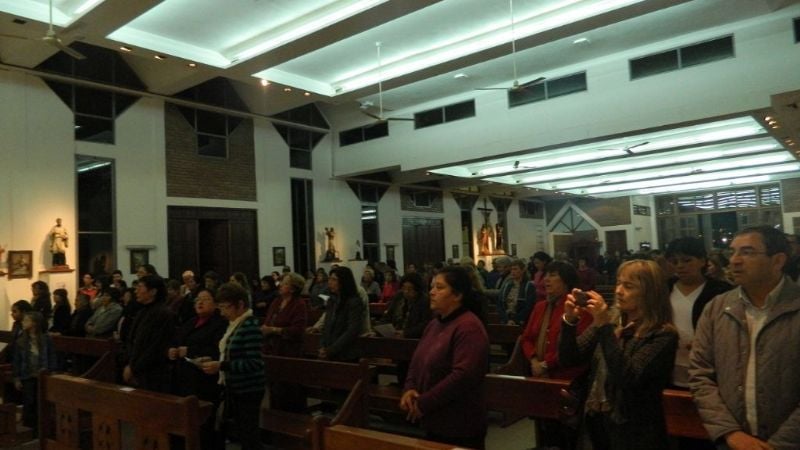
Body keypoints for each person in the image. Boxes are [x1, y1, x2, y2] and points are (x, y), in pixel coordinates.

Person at [690, 226, 800, 449]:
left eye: (747, 252)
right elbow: (700, 373)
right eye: (733, 252)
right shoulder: (718, 308)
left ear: (778, 260)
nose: (735, 260)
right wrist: (729, 433)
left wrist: (781, 443)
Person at [559, 259, 678, 450]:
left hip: (633, 431)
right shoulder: (614, 321)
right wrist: (569, 321)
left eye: (628, 286)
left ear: (650, 292)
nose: (618, 291)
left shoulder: (662, 334)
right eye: (618, 283)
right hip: (595, 419)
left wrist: (603, 326)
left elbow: (627, 376)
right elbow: (569, 359)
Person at [401, 265, 489, 449]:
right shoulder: (434, 324)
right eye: (432, 287)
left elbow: (463, 376)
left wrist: (424, 402)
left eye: (439, 288)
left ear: (457, 295)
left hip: (459, 421)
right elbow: (417, 362)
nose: (432, 292)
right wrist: (409, 388)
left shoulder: (468, 326)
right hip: (434, 418)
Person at [201, 283, 264, 450]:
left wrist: (221, 365)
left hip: (248, 389)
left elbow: (254, 363)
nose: (222, 312)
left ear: (241, 304)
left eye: (225, 307)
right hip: (235, 387)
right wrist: (214, 360)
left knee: (249, 434)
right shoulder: (235, 324)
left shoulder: (250, 326)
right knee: (242, 433)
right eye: (220, 307)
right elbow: (230, 353)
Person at [664, 237, 732, 388]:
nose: (680, 266)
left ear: (702, 261)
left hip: (708, 366)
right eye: (675, 262)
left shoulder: (720, 291)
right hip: (669, 364)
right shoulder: (664, 289)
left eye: (687, 260)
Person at [168, 288, 227, 450]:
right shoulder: (191, 321)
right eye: (197, 300)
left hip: (204, 381)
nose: (199, 302)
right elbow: (177, 340)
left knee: (203, 424)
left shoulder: (220, 323)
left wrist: (190, 351)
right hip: (183, 378)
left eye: (205, 299)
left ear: (215, 304)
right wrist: (172, 349)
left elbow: (217, 351)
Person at [261, 272, 307, 412]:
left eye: (285, 283)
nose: (280, 285)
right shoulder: (276, 301)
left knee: (288, 388)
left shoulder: (299, 304)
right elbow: (268, 320)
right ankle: (276, 415)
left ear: (293, 288)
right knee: (274, 388)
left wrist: (274, 330)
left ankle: (293, 418)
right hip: (273, 349)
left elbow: (297, 330)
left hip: (289, 351)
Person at [123, 275, 175, 392]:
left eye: (140, 287)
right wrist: (129, 363)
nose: (136, 291)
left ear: (152, 291)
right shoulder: (142, 311)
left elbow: (155, 346)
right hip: (136, 368)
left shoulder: (163, 314)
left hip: (152, 372)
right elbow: (132, 340)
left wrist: (134, 368)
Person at [13, 311, 57, 435]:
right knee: (29, 402)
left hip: (43, 375)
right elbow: (16, 360)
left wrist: (52, 371)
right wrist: (16, 378)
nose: (23, 322)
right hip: (27, 375)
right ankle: (29, 430)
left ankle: (42, 430)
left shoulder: (45, 338)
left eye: (26, 320)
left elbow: (52, 355)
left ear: (34, 323)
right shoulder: (21, 340)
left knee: (41, 402)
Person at [319, 266, 365, 362]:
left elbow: (352, 330)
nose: (329, 282)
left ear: (344, 282)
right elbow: (327, 325)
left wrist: (332, 349)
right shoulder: (332, 300)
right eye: (329, 279)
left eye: (334, 280)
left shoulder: (354, 302)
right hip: (330, 351)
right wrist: (323, 346)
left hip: (346, 354)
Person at [495, 258, 536, 326]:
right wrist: (506, 319)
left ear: (522, 270)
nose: (512, 272)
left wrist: (515, 320)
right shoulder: (507, 285)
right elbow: (500, 304)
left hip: (521, 321)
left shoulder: (528, 286)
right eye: (511, 269)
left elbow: (529, 307)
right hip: (507, 319)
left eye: (515, 269)